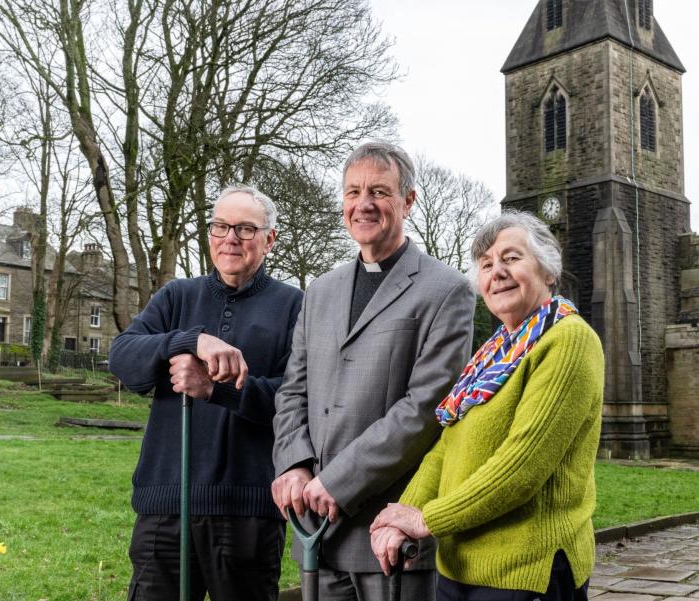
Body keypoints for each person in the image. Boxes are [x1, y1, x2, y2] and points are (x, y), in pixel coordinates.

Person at [271, 141, 475, 601]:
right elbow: (292, 390)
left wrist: (337, 483)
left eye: (379, 192)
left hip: (388, 535)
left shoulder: (446, 290)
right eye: (353, 192)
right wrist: (294, 464)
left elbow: (425, 409)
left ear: (407, 201)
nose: (363, 204)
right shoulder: (319, 290)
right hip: (314, 531)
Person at [369, 211, 604, 601]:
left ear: (548, 271)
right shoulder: (493, 353)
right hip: (458, 567)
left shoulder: (568, 340)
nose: (497, 272)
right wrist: (401, 517)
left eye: (512, 258)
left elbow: (522, 466)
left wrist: (426, 519)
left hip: (523, 572)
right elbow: (445, 449)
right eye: (486, 264)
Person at [109, 186, 303, 601]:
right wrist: (189, 342)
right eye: (220, 226)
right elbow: (122, 355)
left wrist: (216, 390)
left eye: (246, 229)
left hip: (247, 510)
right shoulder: (177, 296)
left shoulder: (294, 306)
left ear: (269, 240)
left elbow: (296, 401)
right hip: (165, 503)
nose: (230, 238)